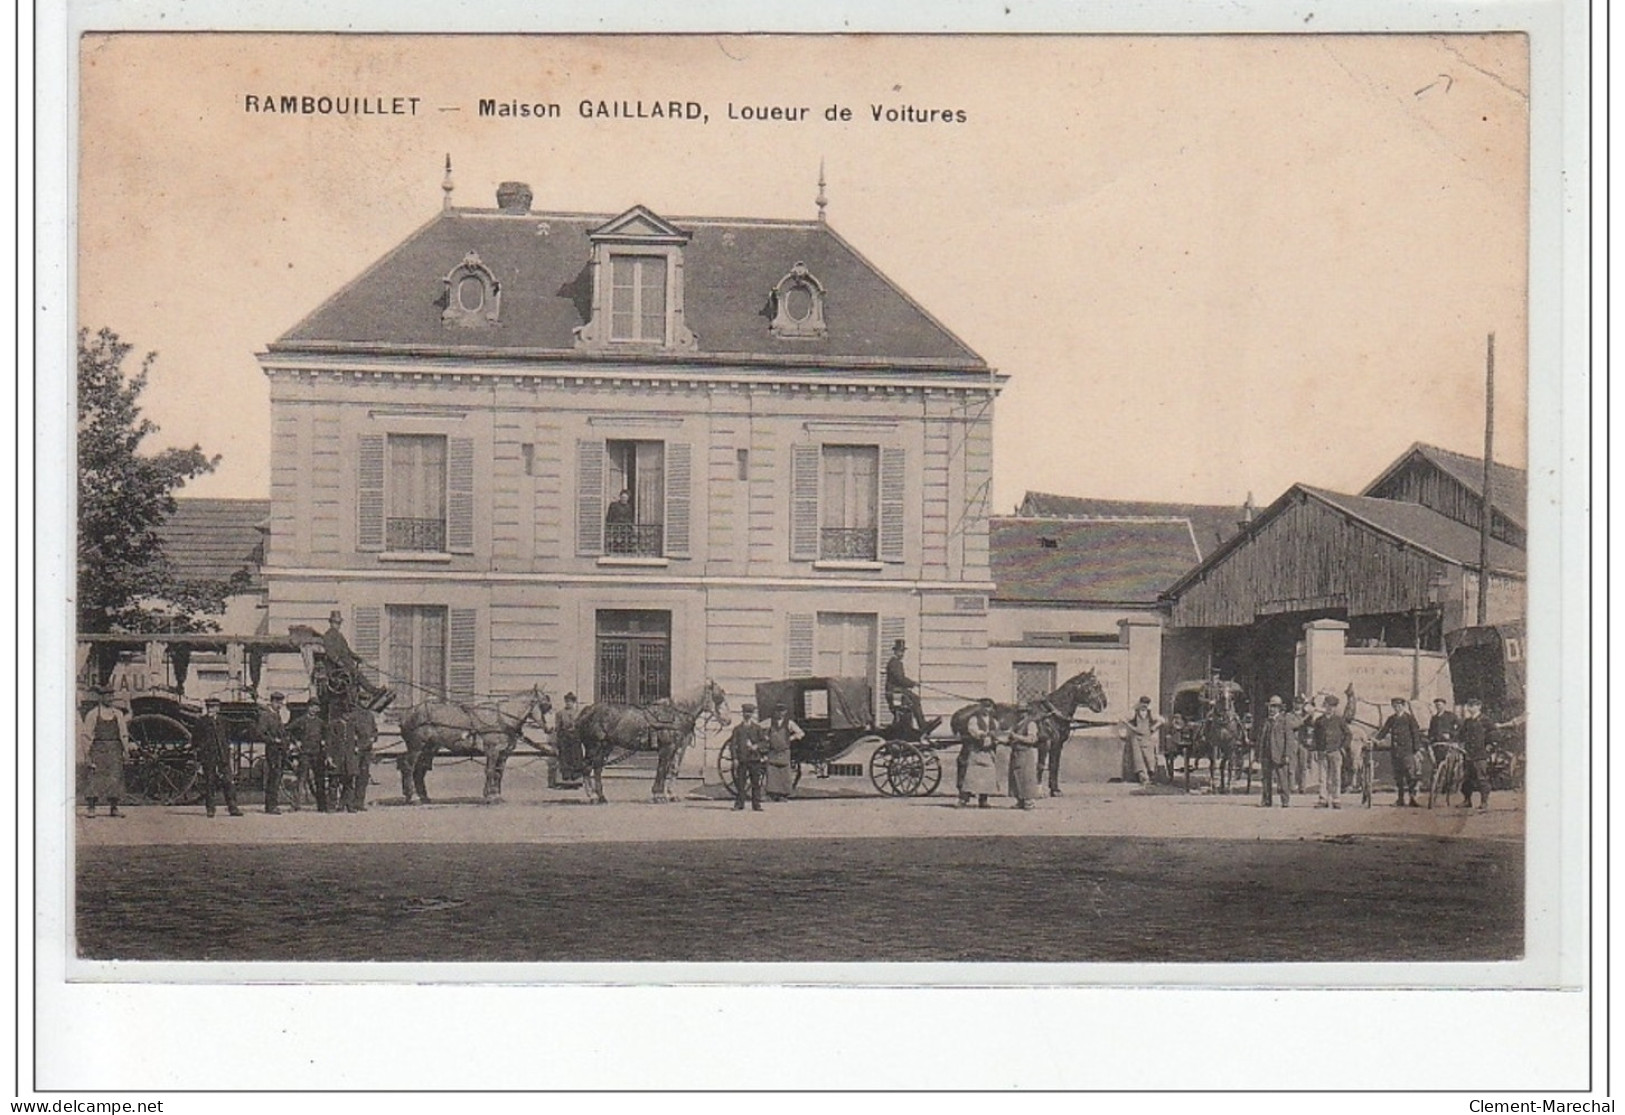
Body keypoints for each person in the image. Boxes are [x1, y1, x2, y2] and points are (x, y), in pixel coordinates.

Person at [320, 610, 387, 712]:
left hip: (346, 665)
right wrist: (339, 662)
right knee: (355, 674)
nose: (337, 625)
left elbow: (347, 651)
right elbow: (330, 653)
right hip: (336, 669)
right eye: (335, 623)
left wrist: (357, 657)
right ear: (331, 623)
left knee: (356, 674)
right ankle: (367, 694)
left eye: (339, 623)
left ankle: (368, 694)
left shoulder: (340, 636)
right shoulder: (328, 636)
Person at [79, 686, 129, 817]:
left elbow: (123, 734)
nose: (109, 698)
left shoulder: (117, 714)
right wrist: (87, 754)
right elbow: (87, 735)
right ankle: (91, 808)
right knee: (94, 777)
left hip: (115, 748)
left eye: (111, 695)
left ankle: (114, 808)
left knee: (115, 777)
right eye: (106, 696)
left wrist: (126, 750)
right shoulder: (93, 714)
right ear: (100, 697)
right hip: (98, 748)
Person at [195, 697, 244, 818]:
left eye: (214, 707)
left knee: (228, 781)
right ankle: (210, 809)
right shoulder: (202, 722)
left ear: (218, 708)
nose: (212, 710)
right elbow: (195, 739)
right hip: (209, 756)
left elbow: (227, 736)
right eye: (209, 707)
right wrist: (201, 753)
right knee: (210, 782)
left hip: (223, 755)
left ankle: (232, 807)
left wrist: (228, 749)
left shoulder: (223, 721)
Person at [1375, 697, 1425, 807]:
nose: (1396, 708)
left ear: (1403, 706)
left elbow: (1415, 734)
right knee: (1398, 776)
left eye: (1398, 706)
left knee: (1410, 775)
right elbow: (1384, 730)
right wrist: (1377, 739)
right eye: (1394, 706)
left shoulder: (1409, 718)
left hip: (1407, 751)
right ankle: (1400, 799)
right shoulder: (1391, 719)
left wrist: (1416, 749)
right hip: (1396, 751)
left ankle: (1412, 798)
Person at [884, 639, 939, 737]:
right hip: (894, 693)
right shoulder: (894, 663)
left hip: (897, 692)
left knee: (913, 699)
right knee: (914, 699)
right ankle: (922, 725)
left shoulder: (897, 662)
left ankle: (915, 725)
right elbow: (900, 679)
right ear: (895, 651)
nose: (902, 653)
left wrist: (911, 684)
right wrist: (912, 683)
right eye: (900, 651)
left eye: (903, 651)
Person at [254, 692, 291, 814]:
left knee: (277, 776)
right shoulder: (266, 716)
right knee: (273, 777)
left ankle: (273, 805)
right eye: (278, 703)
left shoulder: (277, 715)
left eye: (281, 703)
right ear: (273, 702)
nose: (280, 705)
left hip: (280, 750)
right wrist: (273, 740)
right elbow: (260, 733)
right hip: (272, 749)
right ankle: (271, 806)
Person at [1256, 695, 1295, 808]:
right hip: (1266, 754)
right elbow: (1261, 739)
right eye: (1271, 707)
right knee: (1266, 779)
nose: (1272, 709)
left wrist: (1287, 754)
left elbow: (1289, 739)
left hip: (1279, 754)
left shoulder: (1284, 720)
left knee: (1282, 778)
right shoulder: (1266, 721)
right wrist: (1258, 754)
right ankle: (1267, 800)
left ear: (1279, 708)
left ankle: (1285, 800)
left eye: (1275, 707)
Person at [1312, 695, 1350, 809]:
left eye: (1333, 706)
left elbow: (1348, 734)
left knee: (1336, 776)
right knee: (1322, 777)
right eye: (1328, 706)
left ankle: (1336, 798)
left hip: (1335, 751)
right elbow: (1315, 736)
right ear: (1325, 706)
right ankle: (1323, 799)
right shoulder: (1319, 721)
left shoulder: (1339, 720)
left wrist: (1342, 747)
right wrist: (1315, 749)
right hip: (1322, 751)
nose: (1330, 708)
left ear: (1335, 708)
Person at [958, 698, 997, 807]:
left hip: (988, 751)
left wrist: (994, 736)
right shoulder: (974, 719)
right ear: (981, 707)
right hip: (976, 750)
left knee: (987, 775)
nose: (987, 709)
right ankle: (964, 799)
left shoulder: (993, 721)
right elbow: (973, 730)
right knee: (971, 775)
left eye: (989, 707)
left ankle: (983, 800)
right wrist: (983, 734)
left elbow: (997, 732)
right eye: (984, 707)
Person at [727, 703, 767, 812]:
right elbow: (732, 745)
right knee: (741, 782)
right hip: (742, 760)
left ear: (752, 714)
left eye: (749, 713)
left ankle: (756, 804)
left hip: (755, 759)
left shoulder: (757, 728)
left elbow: (764, 742)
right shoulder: (737, 729)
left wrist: (756, 746)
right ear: (742, 714)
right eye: (745, 712)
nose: (747, 715)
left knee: (755, 782)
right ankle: (739, 804)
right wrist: (734, 758)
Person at [1459, 698, 1494, 811]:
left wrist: (1490, 746)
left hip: (1480, 754)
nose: (1470, 708)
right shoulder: (1467, 721)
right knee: (1467, 779)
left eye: (1473, 706)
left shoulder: (1485, 720)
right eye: (1469, 706)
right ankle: (1467, 800)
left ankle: (1484, 802)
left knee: (1481, 778)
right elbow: (1461, 734)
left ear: (1479, 706)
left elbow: (1494, 733)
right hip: (1468, 753)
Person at [763, 704, 804, 802]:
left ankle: (783, 795)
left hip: (784, 750)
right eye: (778, 711)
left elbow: (801, 733)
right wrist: (766, 738)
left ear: (785, 712)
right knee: (772, 771)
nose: (780, 713)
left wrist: (790, 738)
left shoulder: (789, 723)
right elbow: (758, 728)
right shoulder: (769, 722)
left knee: (784, 772)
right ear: (775, 712)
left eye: (782, 711)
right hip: (773, 750)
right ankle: (771, 794)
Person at [1120, 696, 1162, 788]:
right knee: (1138, 759)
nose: (1144, 706)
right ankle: (1143, 779)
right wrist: (1131, 727)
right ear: (1139, 703)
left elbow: (1161, 720)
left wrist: (1153, 728)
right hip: (1136, 738)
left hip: (1147, 738)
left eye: (1146, 704)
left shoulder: (1151, 713)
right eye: (1143, 704)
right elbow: (1123, 719)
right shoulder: (1134, 713)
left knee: (1150, 758)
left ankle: (1152, 777)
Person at [1006, 712, 1042, 810]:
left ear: (1027, 713)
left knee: (1026, 776)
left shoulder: (1031, 724)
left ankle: (1029, 801)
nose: (1021, 714)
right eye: (1019, 711)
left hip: (1025, 752)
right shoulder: (1016, 724)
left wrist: (1016, 737)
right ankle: (1019, 800)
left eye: (1024, 711)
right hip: (1016, 752)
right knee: (1016, 776)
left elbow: (1032, 739)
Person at [550, 693, 583, 788]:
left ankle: (576, 779)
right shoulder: (560, 713)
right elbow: (558, 727)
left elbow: (580, 726)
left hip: (575, 738)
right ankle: (566, 779)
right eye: (567, 701)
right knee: (565, 758)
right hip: (564, 738)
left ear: (574, 702)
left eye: (571, 702)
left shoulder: (578, 713)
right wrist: (557, 740)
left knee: (576, 757)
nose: (568, 703)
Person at [348, 707, 378, 812]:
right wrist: (354, 744)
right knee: (353, 774)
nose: (364, 703)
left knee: (364, 776)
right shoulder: (353, 716)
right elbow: (349, 732)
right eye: (362, 700)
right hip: (356, 750)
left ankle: (359, 802)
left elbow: (375, 730)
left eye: (366, 701)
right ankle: (350, 802)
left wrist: (373, 737)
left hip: (367, 750)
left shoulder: (370, 716)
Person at [1291, 695, 1318, 794]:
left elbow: (1311, 727)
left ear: (1302, 705)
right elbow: (1293, 725)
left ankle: (1302, 787)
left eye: (1299, 703)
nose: (1297, 705)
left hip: (1303, 742)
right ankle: (1292, 786)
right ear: (1293, 704)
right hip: (1293, 742)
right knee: (1292, 765)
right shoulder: (1290, 715)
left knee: (1303, 766)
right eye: (1296, 703)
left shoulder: (1308, 716)